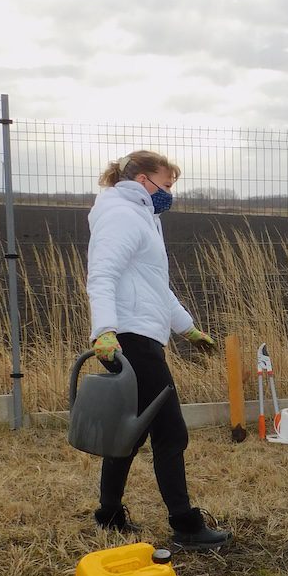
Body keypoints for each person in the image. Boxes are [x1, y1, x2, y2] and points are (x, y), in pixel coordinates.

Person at [86, 150, 231, 549]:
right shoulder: (122, 216)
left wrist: (188, 329)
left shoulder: (144, 218)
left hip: (140, 336)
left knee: (128, 432)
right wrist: (104, 331)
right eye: (166, 185)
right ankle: (186, 525)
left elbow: (154, 287)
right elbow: (102, 275)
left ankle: (109, 514)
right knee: (171, 433)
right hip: (129, 339)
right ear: (142, 180)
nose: (170, 193)